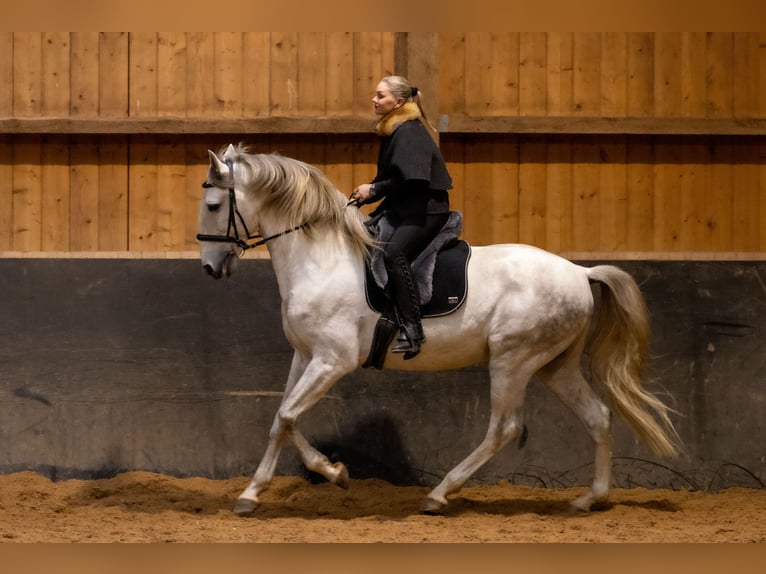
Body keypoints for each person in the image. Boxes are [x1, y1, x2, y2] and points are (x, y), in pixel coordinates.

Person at [350, 76, 453, 359]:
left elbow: (415, 181)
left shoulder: (408, 131)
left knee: (394, 254)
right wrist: (368, 193)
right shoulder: (393, 130)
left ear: (397, 102)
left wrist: (374, 189)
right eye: (375, 94)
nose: (374, 99)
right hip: (405, 208)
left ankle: (412, 329)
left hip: (425, 211)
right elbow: (391, 178)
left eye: (380, 96)